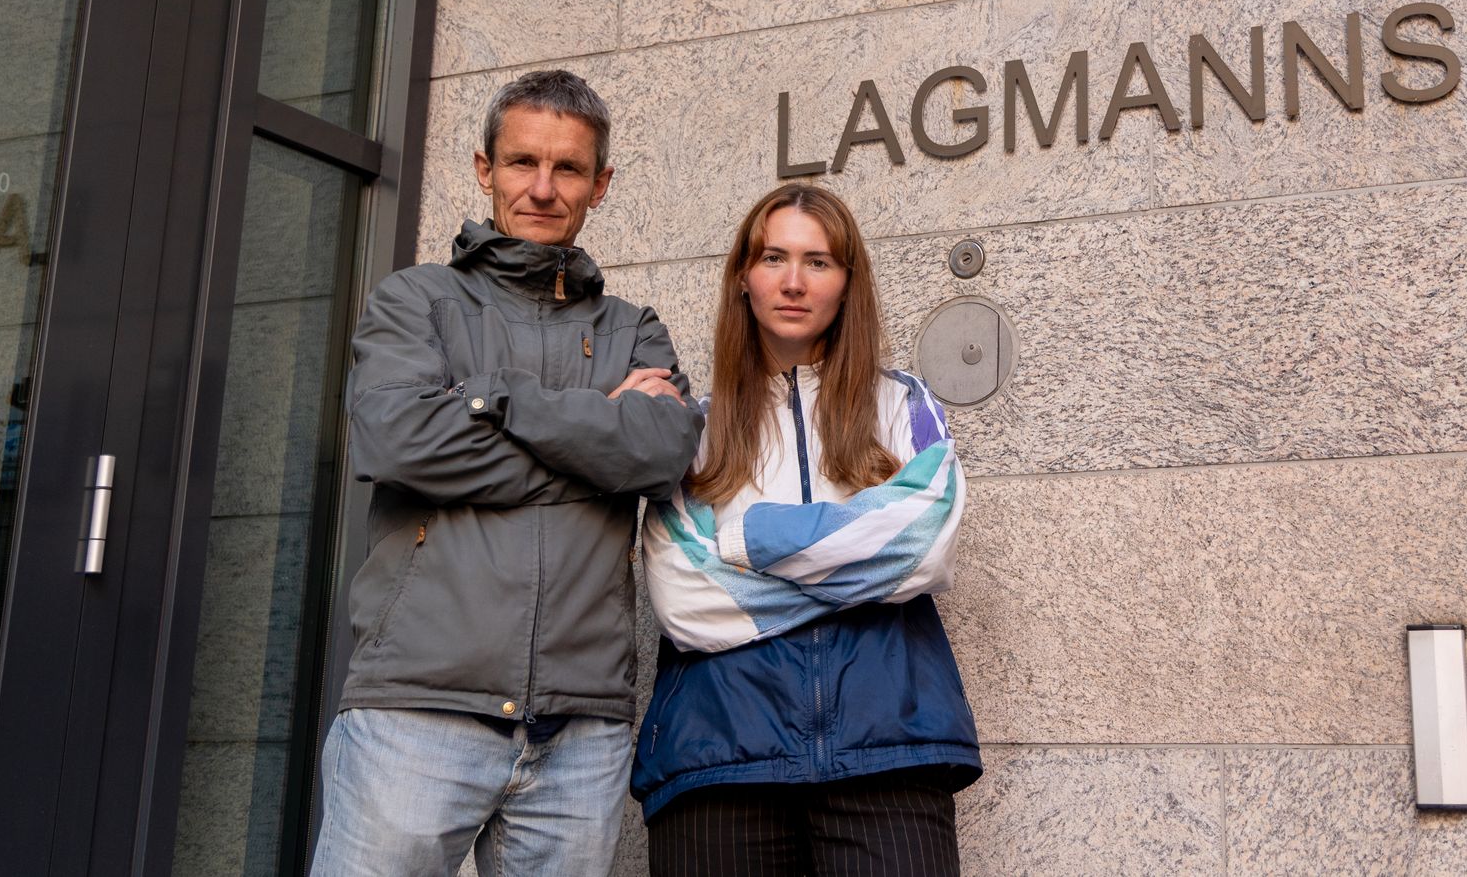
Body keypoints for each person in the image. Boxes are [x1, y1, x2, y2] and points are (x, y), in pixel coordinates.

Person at [312, 69, 704, 877]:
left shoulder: (634, 329)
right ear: (485, 168)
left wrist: (496, 401)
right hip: (417, 708)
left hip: (579, 729)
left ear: (601, 184)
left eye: (568, 169)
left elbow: (663, 453)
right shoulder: (414, 302)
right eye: (523, 162)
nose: (543, 187)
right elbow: (396, 442)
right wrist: (599, 441)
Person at [635, 185, 981, 875]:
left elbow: (925, 544)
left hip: (889, 754)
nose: (794, 281)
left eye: (818, 261)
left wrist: (744, 545)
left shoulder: (902, 403)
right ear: (743, 274)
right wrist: (858, 564)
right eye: (774, 257)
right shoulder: (691, 429)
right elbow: (684, 600)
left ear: (848, 282)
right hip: (718, 759)